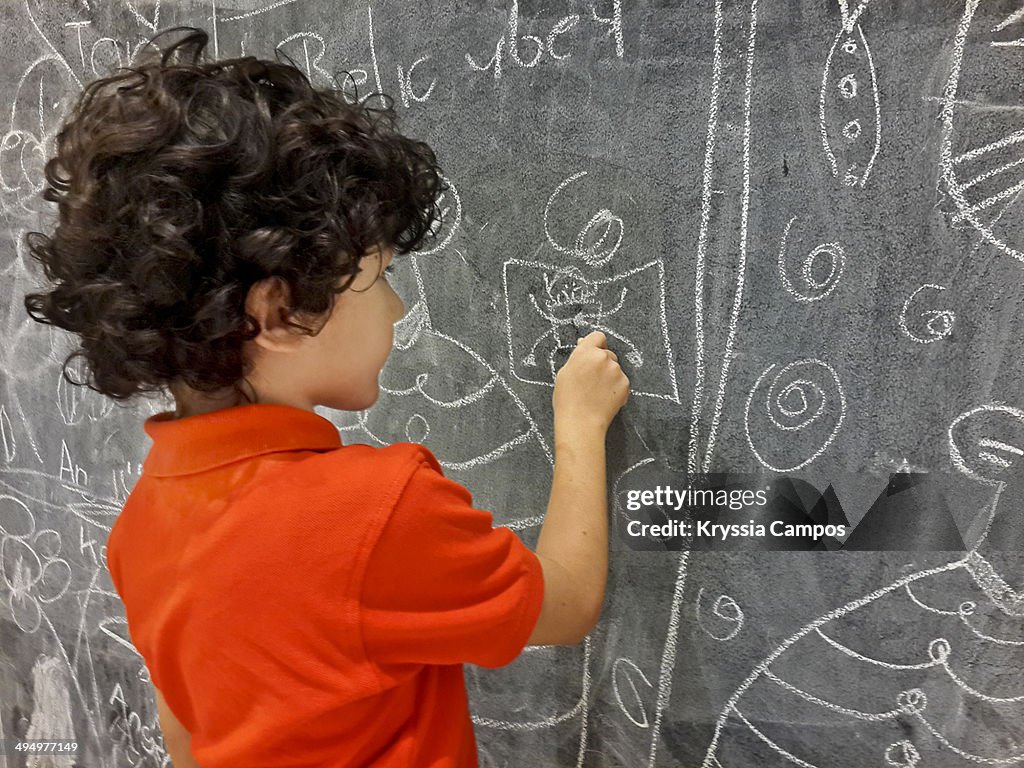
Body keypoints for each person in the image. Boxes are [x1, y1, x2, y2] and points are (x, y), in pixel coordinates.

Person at [22, 26, 629, 768]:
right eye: (379, 279)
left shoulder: (142, 526)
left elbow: (186, 739)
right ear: (279, 313)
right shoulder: (379, 513)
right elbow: (563, 606)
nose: (399, 312)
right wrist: (580, 424)